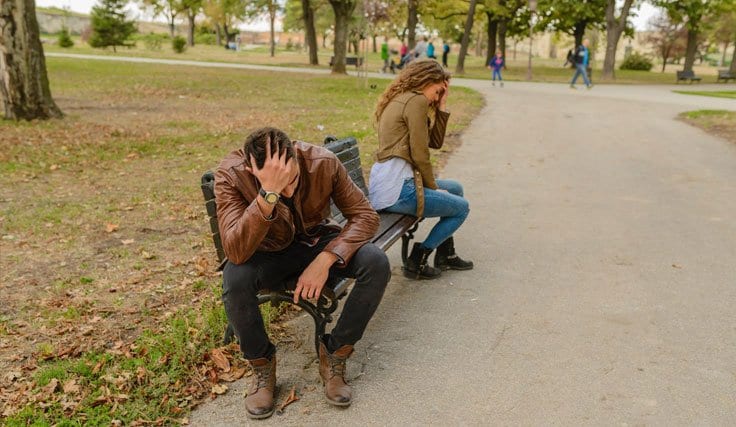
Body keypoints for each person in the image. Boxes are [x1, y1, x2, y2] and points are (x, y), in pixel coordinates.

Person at [215, 127, 390, 419]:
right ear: (250, 169)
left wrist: (325, 259)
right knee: (235, 279)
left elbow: (365, 216)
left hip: (315, 242)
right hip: (266, 251)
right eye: (275, 185)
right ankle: (262, 368)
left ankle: (334, 355)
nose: (288, 191)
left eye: (291, 179)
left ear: (296, 155)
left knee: (376, 262)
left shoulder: (322, 162)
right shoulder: (232, 174)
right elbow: (235, 251)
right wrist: (266, 195)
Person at [369, 60, 474, 280]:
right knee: (462, 208)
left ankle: (445, 254)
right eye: (437, 91)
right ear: (427, 81)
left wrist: (442, 105)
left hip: (393, 183)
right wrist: (433, 188)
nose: (437, 97)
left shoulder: (406, 98)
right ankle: (419, 257)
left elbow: (434, 143)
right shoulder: (415, 101)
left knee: (455, 188)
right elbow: (420, 155)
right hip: (398, 190)